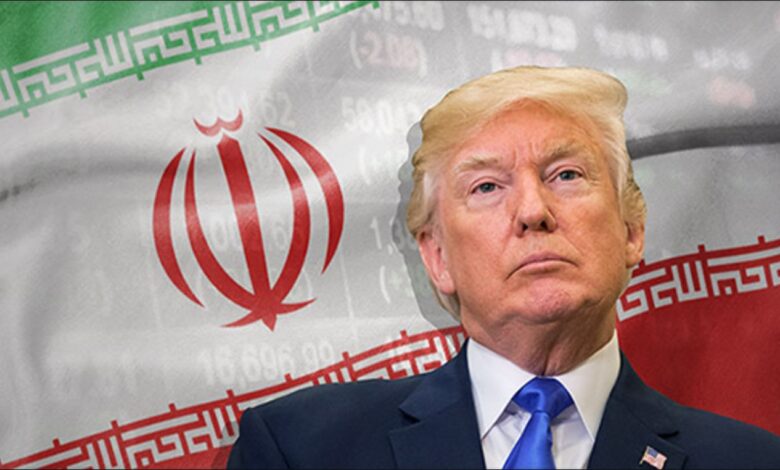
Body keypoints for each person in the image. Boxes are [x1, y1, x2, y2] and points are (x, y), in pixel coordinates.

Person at [227, 66, 780, 469]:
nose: (534, 211)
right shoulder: (301, 448)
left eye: (566, 175)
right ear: (437, 258)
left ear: (632, 231)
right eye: (487, 187)